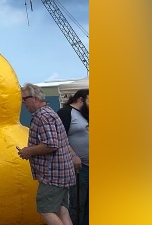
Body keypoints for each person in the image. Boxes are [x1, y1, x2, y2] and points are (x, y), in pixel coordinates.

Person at [17, 83, 78, 225]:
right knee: (62, 210)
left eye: (25, 99)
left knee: (45, 209)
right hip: (62, 172)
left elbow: (51, 144)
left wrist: (28, 151)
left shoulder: (42, 116)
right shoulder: (49, 113)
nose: (23, 103)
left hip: (52, 174)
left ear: (35, 98)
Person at [57, 89, 89, 225]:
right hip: (78, 167)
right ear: (81, 99)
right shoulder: (65, 113)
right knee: (77, 203)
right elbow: (60, 138)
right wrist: (73, 155)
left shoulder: (86, 114)